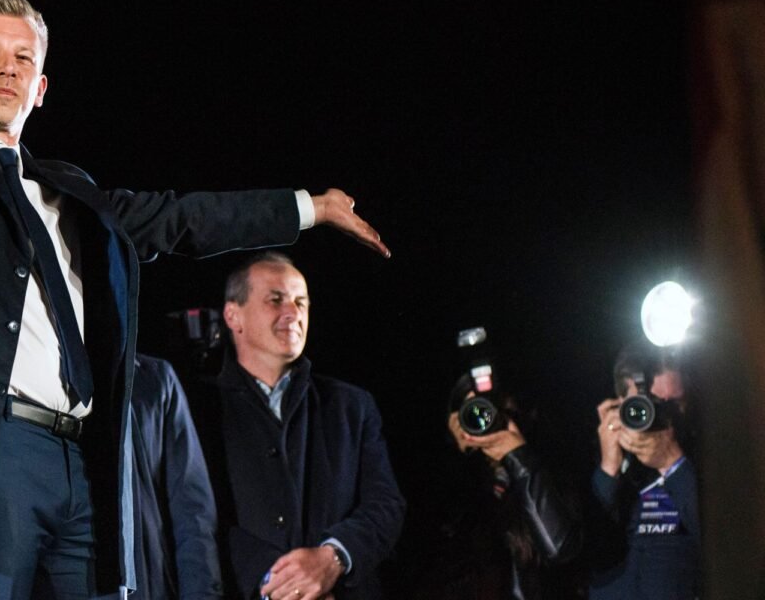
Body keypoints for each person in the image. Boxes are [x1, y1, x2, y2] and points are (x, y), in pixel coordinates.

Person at [0, 0, 389, 600]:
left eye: (24, 59)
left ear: (42, 87)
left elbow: (183, 219)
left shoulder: (69, 192)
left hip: (84, 462)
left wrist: (311, 208)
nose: (8, 67)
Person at [195, 252, 403, 600]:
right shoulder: (197, 409)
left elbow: (386, 502)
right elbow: (197, 515)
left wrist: (332, 557)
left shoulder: (352, 405)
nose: (292, 313)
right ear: (234, 316)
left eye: (300, 302)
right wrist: (279, 581)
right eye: (275, 300)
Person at [413, 380, 581, 600]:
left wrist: (518, 459)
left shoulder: (549, 471)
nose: (485, 418)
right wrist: (455, 455)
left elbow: (558, 547)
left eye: (492, 407)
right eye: (473, 411)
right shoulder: (456, 486)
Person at [587, 345, 700, 599]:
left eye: (672, 404)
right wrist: (608, 469)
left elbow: (728, 544)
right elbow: (586, 553)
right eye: (648, 405)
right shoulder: (602, 462)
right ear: (619, 403)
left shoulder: (703, 463)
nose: (661, 416)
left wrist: (673, 464)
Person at [130, 354, 223, 600]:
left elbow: (192, 509)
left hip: (149, 586)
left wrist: (201, 594)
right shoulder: (34, 376)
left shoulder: (155, 379)